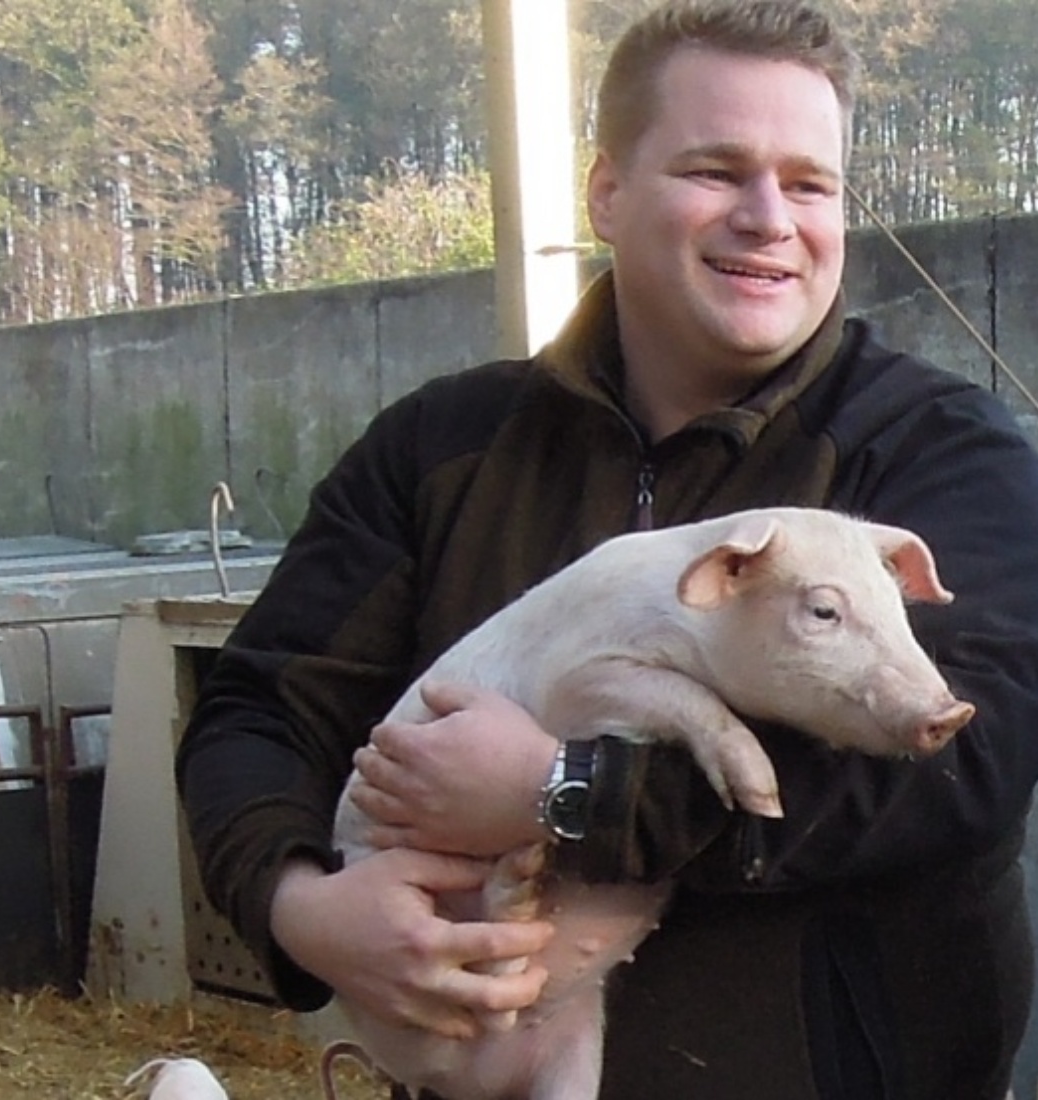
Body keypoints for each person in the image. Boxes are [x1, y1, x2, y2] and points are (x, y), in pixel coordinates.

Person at [175, 1, 1038, 1098]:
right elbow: (259, 712)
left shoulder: (932, 449)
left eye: (810, 183)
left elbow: (973, 755)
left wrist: (570, 793)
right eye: (717, 170)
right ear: (606, 193)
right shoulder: (442, 450)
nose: (769, 217)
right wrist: (305, 910)